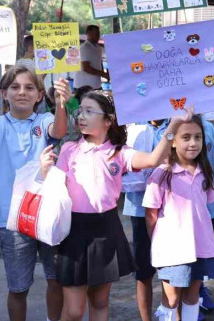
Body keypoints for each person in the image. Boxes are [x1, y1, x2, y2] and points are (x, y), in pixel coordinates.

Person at [40, 92, 190, 321]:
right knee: (73, 311)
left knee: (100, 302)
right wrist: (44, 170)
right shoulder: (70, 149)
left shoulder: (120, 152)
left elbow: (152, 159)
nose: (81, 115)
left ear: (108, 121)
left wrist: (174, 126)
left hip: (106, 229)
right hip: (73, 231)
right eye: (80, 110)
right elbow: (53, 188)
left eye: (89, 111)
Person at [0, 65, 72, 321]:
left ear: (38, 95)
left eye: (29, 87)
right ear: (3, 93)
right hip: (13, 220)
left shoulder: (45, 120)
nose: (21, 92)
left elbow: (58, 131)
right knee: (18, 288)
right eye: (14, 87)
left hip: (48, 215)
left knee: (55, 280)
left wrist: (60, 104)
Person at [124, 116, 214, 321]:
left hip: (199, 247)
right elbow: (151, 212)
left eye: (198, 137)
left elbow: (205, 208)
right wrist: (159, 242)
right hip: (172, 250)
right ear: (173, 141)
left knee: (192, 296)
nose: (193, 143)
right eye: (186, 137)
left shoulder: (205, 172)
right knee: (171, 299)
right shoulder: (162, 173)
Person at [74, 25, 106, 90]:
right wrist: (103, 74)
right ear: (89, 34)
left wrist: (104, 73)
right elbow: (86, 68)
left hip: (96, 85)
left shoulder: (98, 47)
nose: (98, 36)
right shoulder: (85, 47)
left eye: (99, 33)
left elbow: (100, 62)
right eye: (96, 34)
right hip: (83, 87)